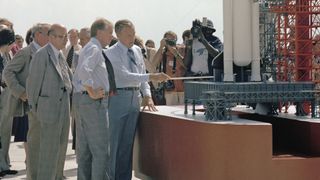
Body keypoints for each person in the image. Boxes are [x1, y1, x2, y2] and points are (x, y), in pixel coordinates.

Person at [105, 19, 170, 180]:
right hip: (118, 99)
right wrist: (152, 75)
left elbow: (142, 77)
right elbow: (124, 76)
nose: (132, 37)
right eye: (128, 34)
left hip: (135, 99)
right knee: (114, 144)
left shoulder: (136, 50)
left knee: (127, 145)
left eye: (133, 33)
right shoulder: (110, 53)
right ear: (118, 34)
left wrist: (147, 95)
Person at [26, 24, 72, 180]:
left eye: (66, 36)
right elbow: (33, 86)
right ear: (51, 37)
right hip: (47, 113)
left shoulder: (60, 55)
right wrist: (35, 110)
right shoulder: (42, 55)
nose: (65, 40)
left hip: (63, 110)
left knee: (59, 150)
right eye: (61, 36)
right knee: (46, 154)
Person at [3, 23, 50, 171]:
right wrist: (21, 92)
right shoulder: (25, 52)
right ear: (37, 35)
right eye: (48, 33)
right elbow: (8, 72)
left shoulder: (50, 52)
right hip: (30, 104)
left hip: (46, 103)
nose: (51, 37)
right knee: (32, 140)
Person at [73, 18, 114, 180]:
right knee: (101, 151)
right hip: (93, 103)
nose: (112, 36)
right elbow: (84, 71)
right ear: (99, 32)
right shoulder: (95, 48)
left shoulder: (90, 47)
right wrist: (91, 92)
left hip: (85, 102)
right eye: (110, 32)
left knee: (85, 151)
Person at [0, 27, 18, 178]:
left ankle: (4, 163)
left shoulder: (6, 55)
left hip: (7, 97)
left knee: (5, 132)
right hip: (2, 96)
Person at [152, 31, 186, 105]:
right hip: (169, 88)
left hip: (182, 87)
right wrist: (161, 47)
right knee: (170, 111)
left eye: (172, 40)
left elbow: (185, 65)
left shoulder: (181, 49)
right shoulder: (163, 52)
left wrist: (175, 52)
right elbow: (153, 64)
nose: (170, 42)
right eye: (168, 40)